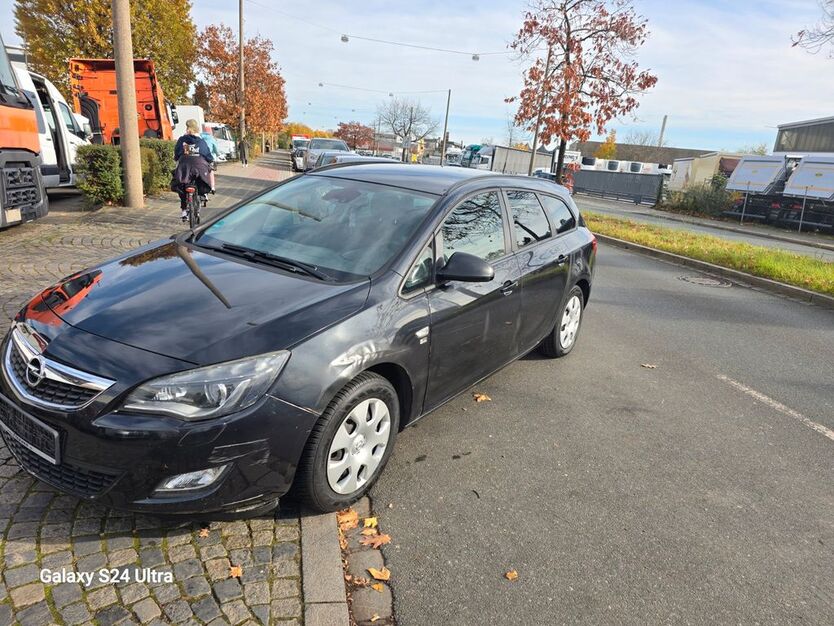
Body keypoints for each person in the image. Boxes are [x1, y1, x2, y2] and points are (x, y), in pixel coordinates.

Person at [172, 119, 214, 222]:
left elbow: (177, 154)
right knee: (201, 180)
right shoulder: (201, 141)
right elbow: (207, 155)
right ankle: (202, 194)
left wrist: (178, 158)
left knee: (181, 185)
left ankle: (183, 211)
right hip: (199, 167)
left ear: (187, 128)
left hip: (185, 166)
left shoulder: (182, 140)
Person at [200, 124, 220, 191]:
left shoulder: (200, 137)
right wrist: (218, 154)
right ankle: (212, 187)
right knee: (211, 171)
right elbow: (215, 148)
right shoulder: (211, 138)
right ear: (210, 131)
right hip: (210, 157)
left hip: (201, 157)